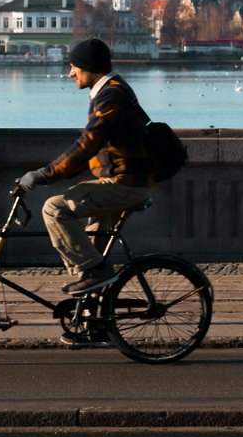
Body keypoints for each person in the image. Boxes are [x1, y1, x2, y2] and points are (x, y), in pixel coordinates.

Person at [15, 38, 156, 306]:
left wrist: (45, 174)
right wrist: (53, 173)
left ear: (88, 67)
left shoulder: (111, 95)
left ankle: (97, 274)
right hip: (123, 179)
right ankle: (93, 317)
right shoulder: (113, 91)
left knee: (54, 209)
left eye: (74, 66)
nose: (70, 73)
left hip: (123, 182)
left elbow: (87, 143)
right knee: (92, 253)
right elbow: (92, 149)